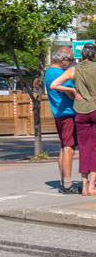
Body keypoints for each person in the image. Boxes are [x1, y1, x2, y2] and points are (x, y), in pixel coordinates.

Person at [52, 43, 96, 196]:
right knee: (95, 147)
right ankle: (92, 185)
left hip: (80, 111)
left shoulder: (73, 70)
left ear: (81, 55)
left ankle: (84, 187)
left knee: (84, 148)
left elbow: (53, 85)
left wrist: (71, 89)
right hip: (95, 109)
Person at [45, 47, 77, 194]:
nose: (71, 63)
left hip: (58, 112)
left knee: (64, 147)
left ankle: (63, 181)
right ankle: (68, 184)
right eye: (70, 60)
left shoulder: (49, 72)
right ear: (63, 59)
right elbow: (72, 95)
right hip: (67, 112)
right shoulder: (61, 74)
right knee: (69, 148)